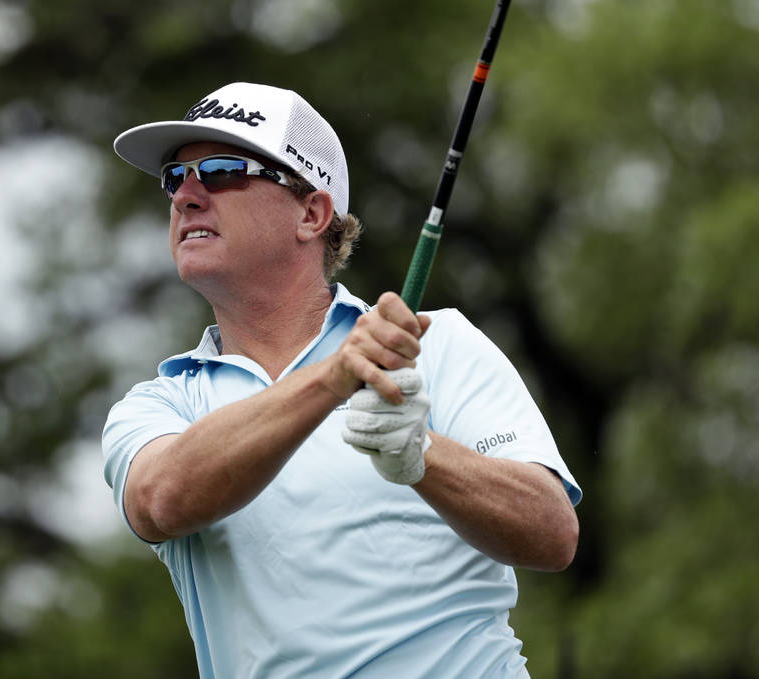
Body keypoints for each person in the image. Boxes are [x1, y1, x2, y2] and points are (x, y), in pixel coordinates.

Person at [102, 82, 581, 678]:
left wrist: (422, 453)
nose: (186, 197)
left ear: (311, 213)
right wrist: (335, 376)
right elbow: (161, 499)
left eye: (222, 171)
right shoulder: (160, 402)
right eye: (176, 178)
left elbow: (552, 533)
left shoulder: (438, 342)